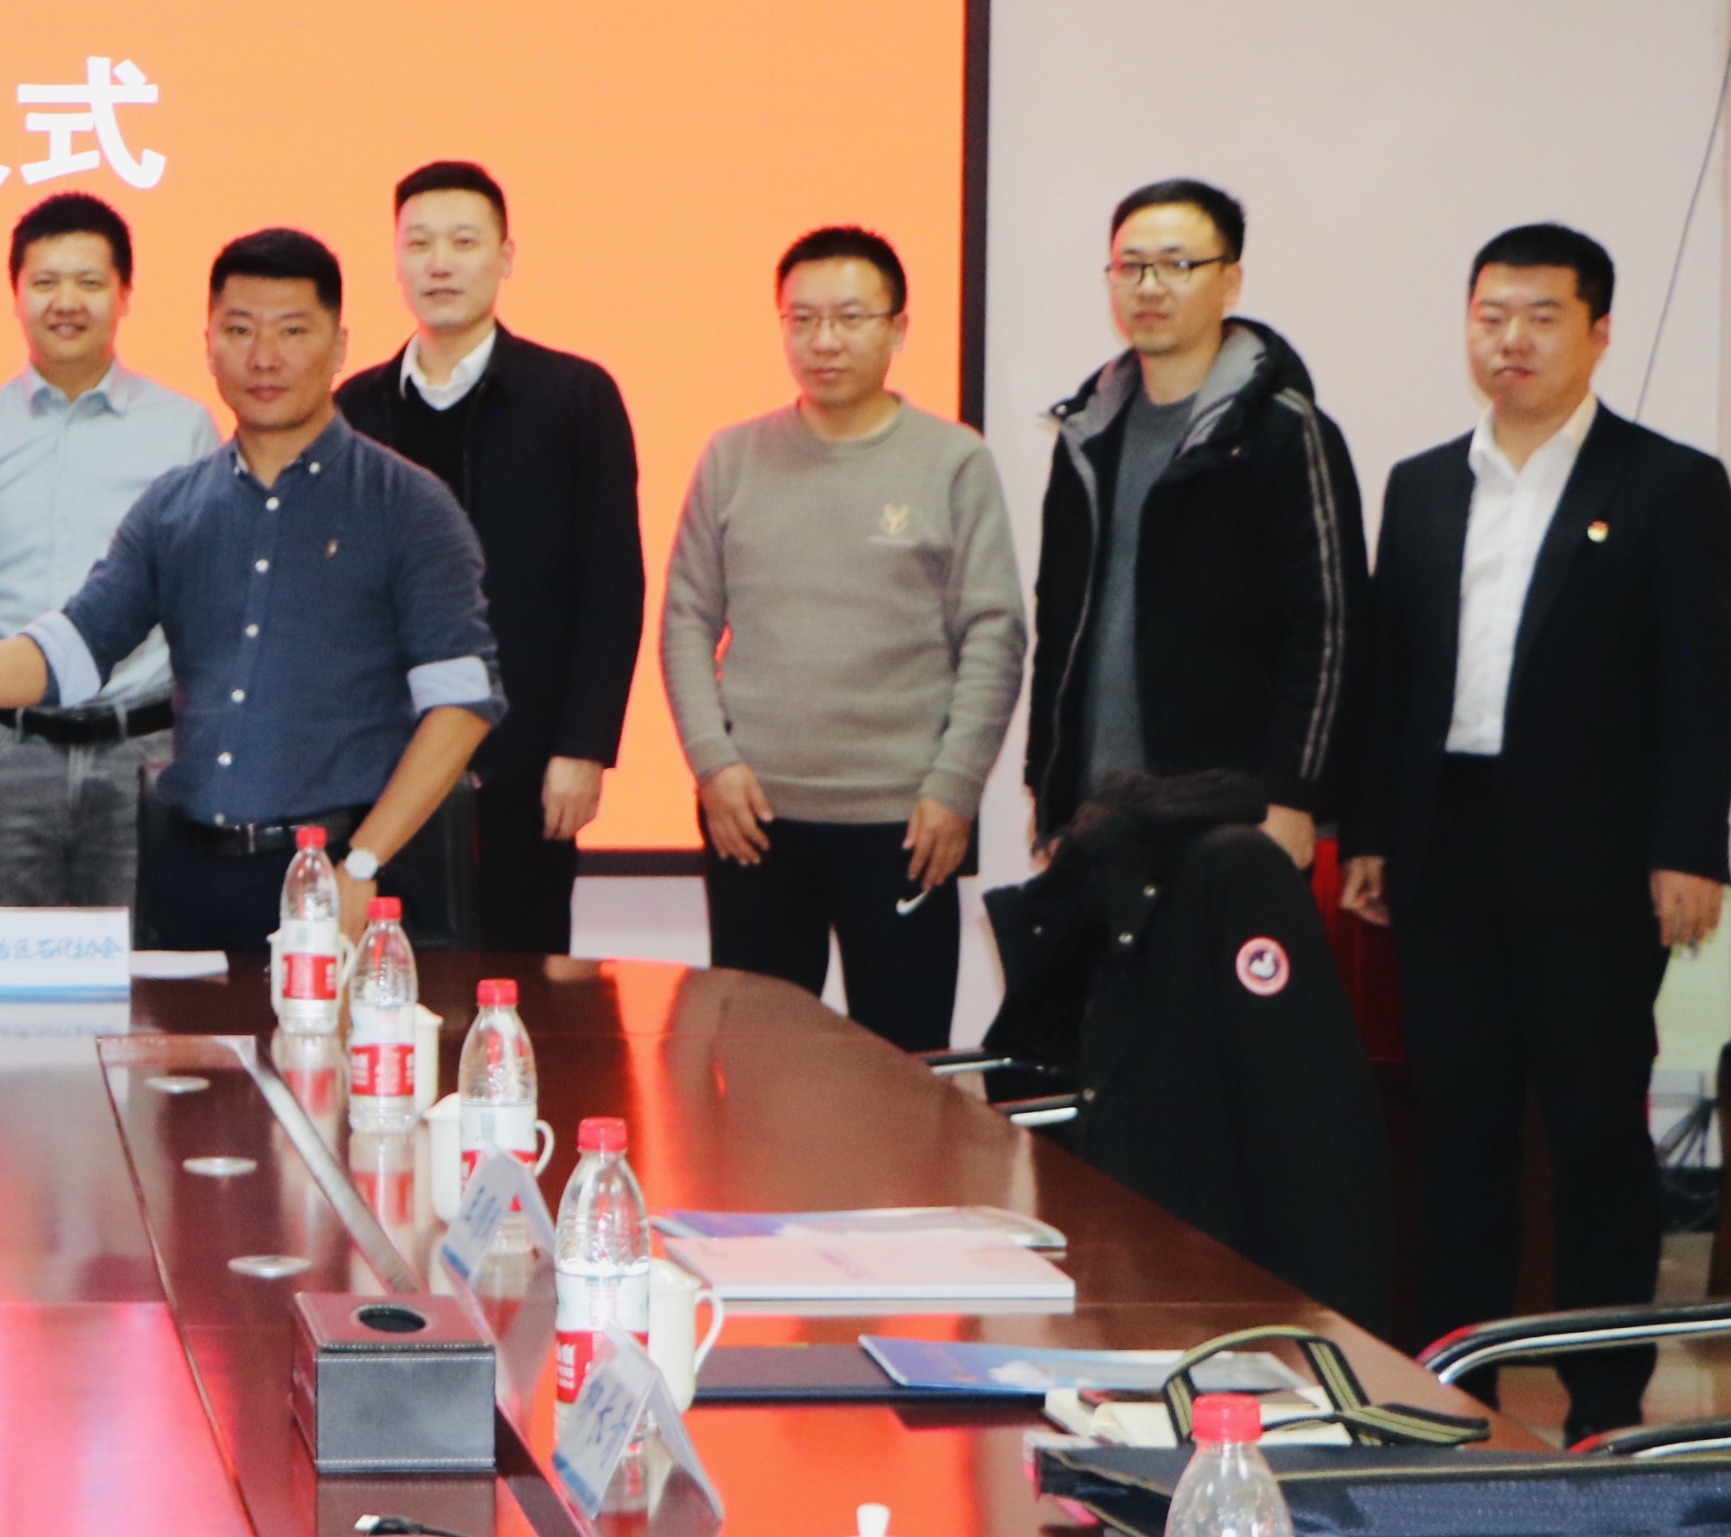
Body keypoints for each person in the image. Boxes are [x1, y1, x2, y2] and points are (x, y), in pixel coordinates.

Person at [1341, 225, 1731, 1441]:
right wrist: (1370, 832)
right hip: (1444, 843)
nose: (1510, 340)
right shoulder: (1420, 484)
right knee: (1459, 1132)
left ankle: (1604, 1404)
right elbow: (1390, 678)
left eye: (1541, 316)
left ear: (1597, 331)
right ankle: (1448, 1396)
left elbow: (1702, 682)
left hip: (1596, 858)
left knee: (1591, 1134)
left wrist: (1690, 846)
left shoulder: (1666, 484)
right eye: (1490, 316)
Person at [0, 229, 496, 956]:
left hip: (337, 871)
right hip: (186, 876)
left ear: (339, 346)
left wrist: (361, 864)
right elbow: (70, 651)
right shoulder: (173, 507)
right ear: (208, 346)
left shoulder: (407, 504)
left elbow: (461, 703)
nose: (264, 357)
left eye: (292, 331)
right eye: (240, 330)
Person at [660, 228, 1025, 1050]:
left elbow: (994, 635)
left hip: (903, 820)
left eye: (849, 317)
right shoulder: (732, 457)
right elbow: (685, 618)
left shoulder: (951, 460)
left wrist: (955, 786)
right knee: (755, 1066)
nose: (822, 340)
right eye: (801, 319)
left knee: (902, 1069)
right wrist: (712, 763)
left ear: (898, 327)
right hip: (754, 817)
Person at [335, 160, 641, 953]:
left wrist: (583, 747)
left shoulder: (574, 397)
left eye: (463, 242)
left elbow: (610, 585)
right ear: (395, 258)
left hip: (524, 764)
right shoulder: (353, 408)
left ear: (506, 255)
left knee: (522, 983)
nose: (439, 263)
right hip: (380, 768)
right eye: (419, 243)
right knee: (382, 981)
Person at [1025, 178, 1363, 864]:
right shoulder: (1088, 434)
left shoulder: (1281, 431)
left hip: (1230, 813)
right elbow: (1059, 623)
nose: (1149, 287)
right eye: (1130, 266)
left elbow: (1327, 628)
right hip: (1095, 807)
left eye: (1177, 265)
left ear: (1229, 281)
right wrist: (1047, 785)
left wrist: (1292, 796)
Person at [0, 192, 219, 909]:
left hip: (144, 757)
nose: (66, 302)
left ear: (125, 294)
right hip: (0, 763)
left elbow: (210, 621)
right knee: (1, 972)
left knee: (148, 974)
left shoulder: (183, 430)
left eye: (89, 282)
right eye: (45, 282)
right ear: (15, 294)